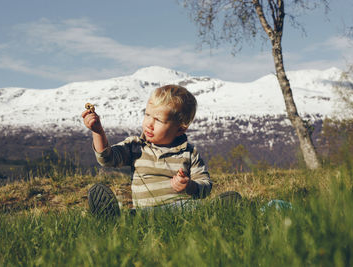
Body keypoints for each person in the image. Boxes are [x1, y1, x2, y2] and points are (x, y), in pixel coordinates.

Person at [82, 84, 238, 217]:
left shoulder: (189, 153)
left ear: (179, 129)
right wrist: (98, 131)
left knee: (197, 210)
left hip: (182, 210)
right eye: (147, 115)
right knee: (132, 216)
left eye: (158, 120)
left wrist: (190, 186)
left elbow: (205, 185)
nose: (149, 123)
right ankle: (108, 216)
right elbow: (107, 159)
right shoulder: (136, 146)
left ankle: (217, 210)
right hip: (145, 213)